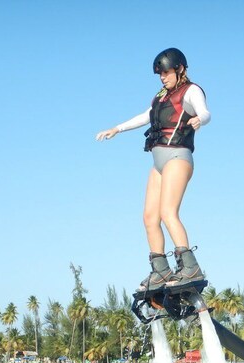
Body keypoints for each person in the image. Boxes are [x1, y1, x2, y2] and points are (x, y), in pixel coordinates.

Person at [96, 47, 211, 291]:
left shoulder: (191, 91)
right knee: (149, 217)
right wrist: (117, 128)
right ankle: (160, 270)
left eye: (166, 72)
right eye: (160, 74)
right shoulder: (161, 96)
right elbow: (146, 116)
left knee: (168, 212)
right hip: (158, 162)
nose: (162, 77)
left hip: (178, 157)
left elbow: (205, 111)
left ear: (179, 69)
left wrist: (200, 119)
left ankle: (190, 267)